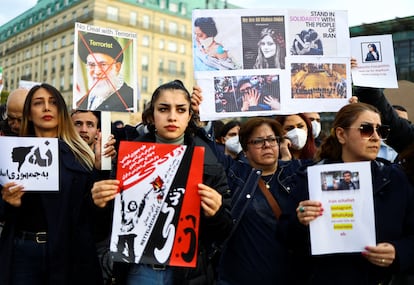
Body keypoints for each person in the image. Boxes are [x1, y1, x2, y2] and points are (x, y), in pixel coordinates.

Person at [90, 80, 232, 285]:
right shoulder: (128, 159)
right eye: (163, 109)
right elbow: (104, 226)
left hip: (187, 274)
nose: (172, 117)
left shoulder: (208, 163)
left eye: (181, 110)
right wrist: (98, 202)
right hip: (138, 270)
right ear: (152, 115)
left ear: (189, 116)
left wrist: (216, 212)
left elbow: (224, 231)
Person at [293, 102, 414, 284]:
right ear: (342, 135)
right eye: (366, 130)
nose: (375, 137)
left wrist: (399, 252)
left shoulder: (396, 178)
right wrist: (300, 220)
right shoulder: (311, 176)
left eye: (380, 131)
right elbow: (286, 238)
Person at [0, 83, 103, 284]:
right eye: (39, 103)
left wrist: (100, 173)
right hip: (22, 251)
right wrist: (8, 202)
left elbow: (91, 217)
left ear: (61, 112)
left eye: (53, 102)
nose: (47, 108)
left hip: (66, 253)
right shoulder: (10, 154)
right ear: (29, 113)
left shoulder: (80, 157)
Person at [212, 117, 311, 285]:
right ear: (245, 149)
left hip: (290, 275)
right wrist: (198, 119)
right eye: (258, 141)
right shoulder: (234, 174)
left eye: (272, 139)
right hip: (240, 277)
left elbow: (336, 159)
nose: (267, 145)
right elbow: (207, 149)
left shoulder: (297, 172)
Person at [76, 32, 134, 112]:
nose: (97, 71)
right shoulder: (80, 104)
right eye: (91, 65)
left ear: (117, 67)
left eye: (103, 64)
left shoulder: (130, 100)